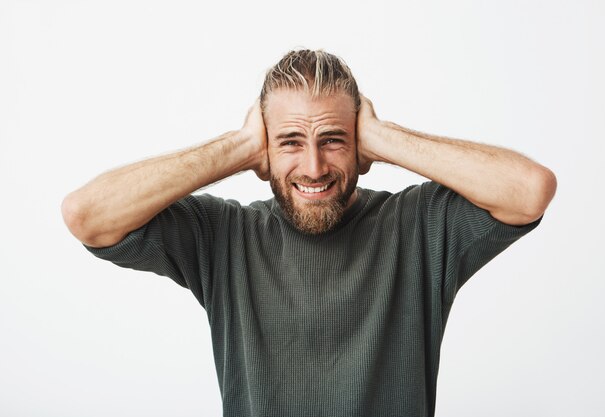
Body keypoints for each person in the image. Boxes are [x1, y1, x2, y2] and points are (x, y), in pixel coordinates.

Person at [62, 49, 557, 417]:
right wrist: (238, 145)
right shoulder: (224, 237)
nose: (314, 166)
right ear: (264, 153)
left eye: (334, 140)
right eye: (290, 142)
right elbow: (88, 215)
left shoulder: (418, 229)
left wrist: (384, 137)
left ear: (360, 147)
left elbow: (529, 190)